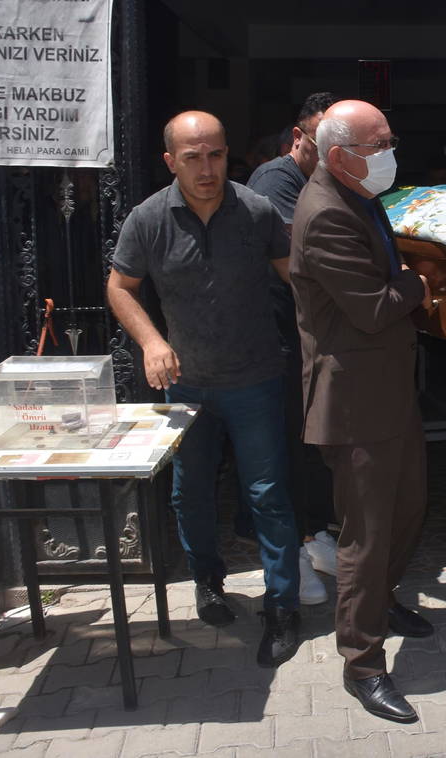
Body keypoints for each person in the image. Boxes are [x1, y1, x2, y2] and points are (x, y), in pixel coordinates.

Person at [106, 110, 302, 667]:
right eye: (193, 158)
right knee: (189, 492)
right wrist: (151, 342)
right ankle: (208, 582)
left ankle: (283, 606)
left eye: (215, 155)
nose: (207, 169)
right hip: (185, 385)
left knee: (268, 494)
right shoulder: (148, 218)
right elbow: (120, 287)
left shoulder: (257, 211)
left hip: (256, 378)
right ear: (171, 161)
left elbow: (298, 278)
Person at [290, 99, 435, 724]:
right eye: (380, 145)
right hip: (354, 401)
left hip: (387, 391)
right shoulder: (326, 211)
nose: (390, 153)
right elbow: (374, 307)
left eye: (390, 140)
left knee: (409, 508)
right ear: (340, 155)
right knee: (365, 536)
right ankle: (363, 664)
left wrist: (404, 276)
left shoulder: (360, 195)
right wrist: (420, 282)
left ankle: (381, 600)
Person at [247, 91, 340, 604]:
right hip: (277, 340)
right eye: (322, 139)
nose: (331, 150)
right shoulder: (275, 181)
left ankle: (316, 536)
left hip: (308, 337)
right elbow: (304, 256)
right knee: (284, 448)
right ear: (299, 137)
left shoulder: (324, 179)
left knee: (312, 444)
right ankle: (294, 554)